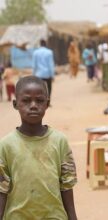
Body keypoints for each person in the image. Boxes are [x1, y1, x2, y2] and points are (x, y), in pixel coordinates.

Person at [0, 76, 77, 219]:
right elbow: (1, 190)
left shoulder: (59, 141)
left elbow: (66, 185)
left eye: (40, 101)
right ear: (16, 104)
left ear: (47, 104)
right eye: (26, 100)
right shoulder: (5, 145)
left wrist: (73, 217)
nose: (34, 105)